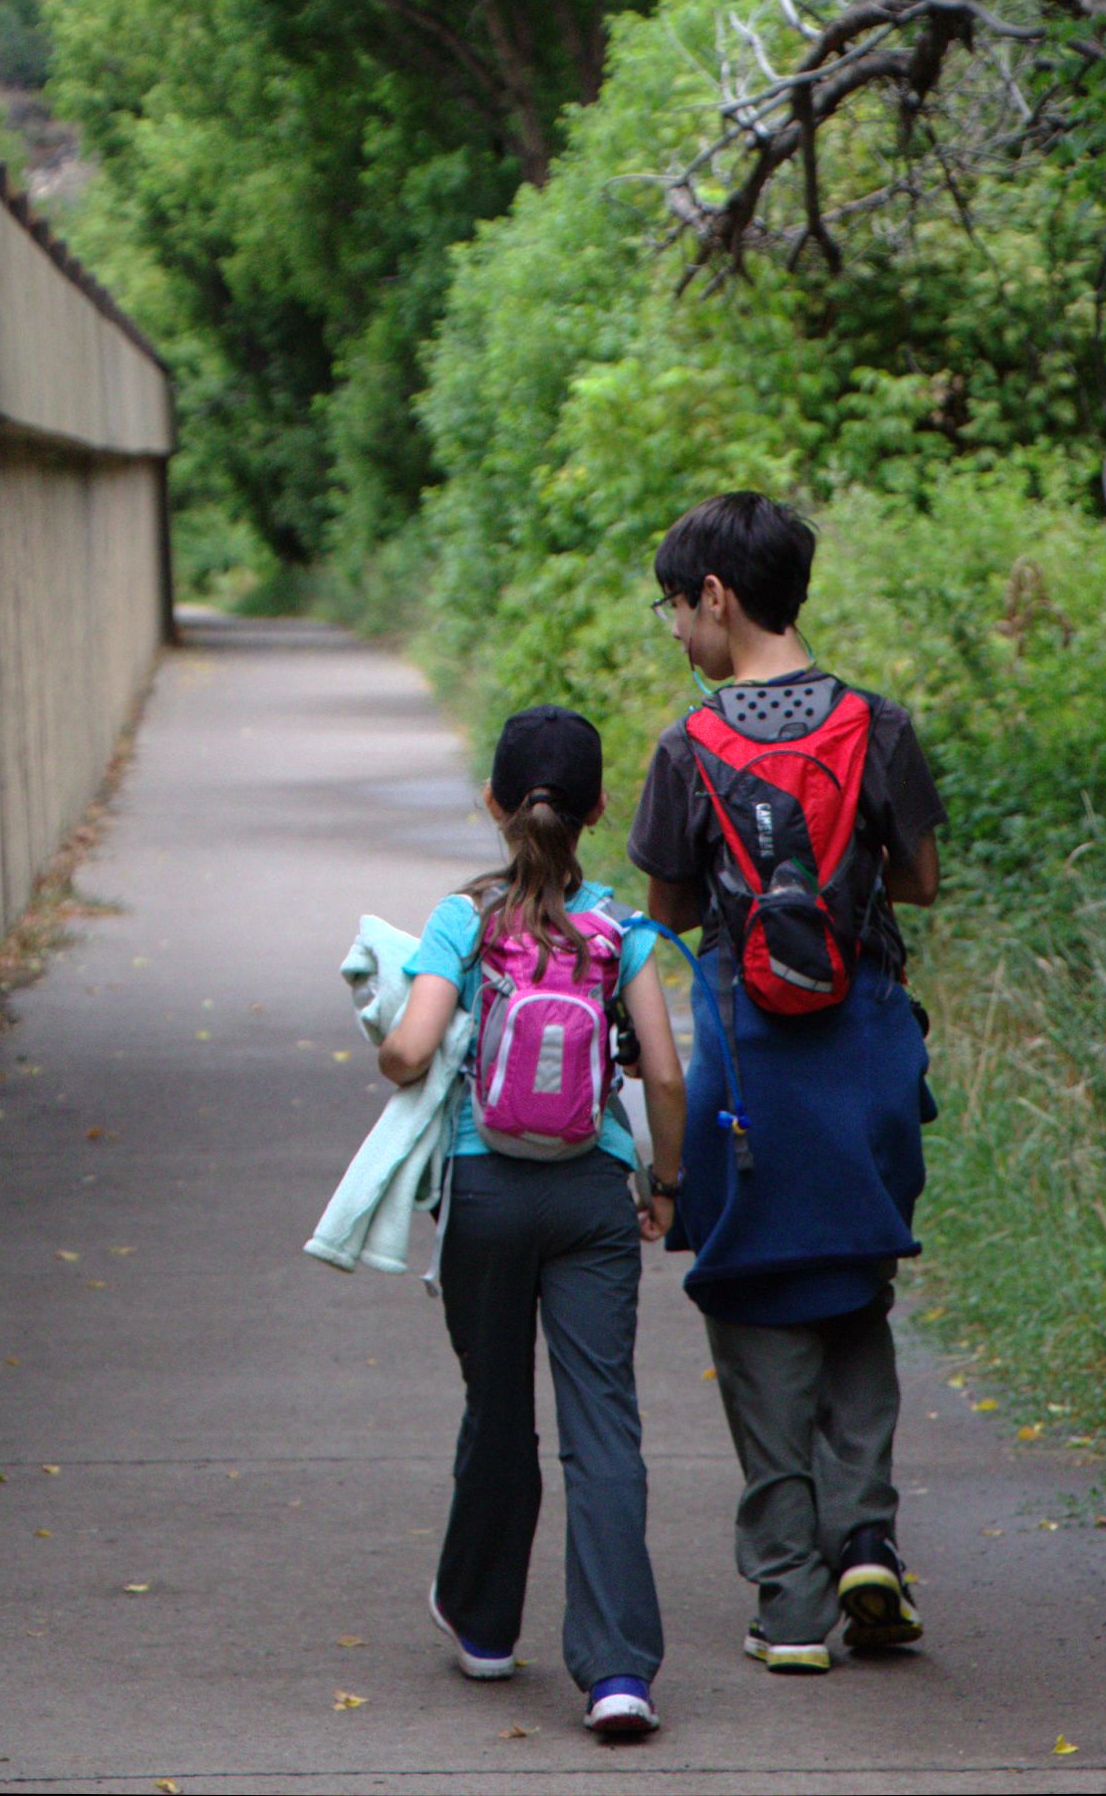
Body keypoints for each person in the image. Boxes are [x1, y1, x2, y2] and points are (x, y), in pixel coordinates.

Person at [627, 492, 947, 1676]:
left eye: (676, 604)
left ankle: (790, 1601)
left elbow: (663, 910)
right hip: (862, 1051)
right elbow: (917, 881)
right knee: (855, 1281)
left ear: (715, 596)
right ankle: (864, 1529)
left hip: (746, 1069)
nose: (675, 630)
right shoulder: (880, 723)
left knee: (753, 1296)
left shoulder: (686, 745)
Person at [377, 704, 687, 1738]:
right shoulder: (622, 929)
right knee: (603, 1424)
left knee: (498, 1400)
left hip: (489, 1190)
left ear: (493, 803)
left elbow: (411, 1050)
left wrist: (396, 1029)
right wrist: (664, 1185)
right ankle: (616, 1673)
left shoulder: (463, 919)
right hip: (593, 1193)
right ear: (599, 808)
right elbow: (666, 1070)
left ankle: (484, 1625)